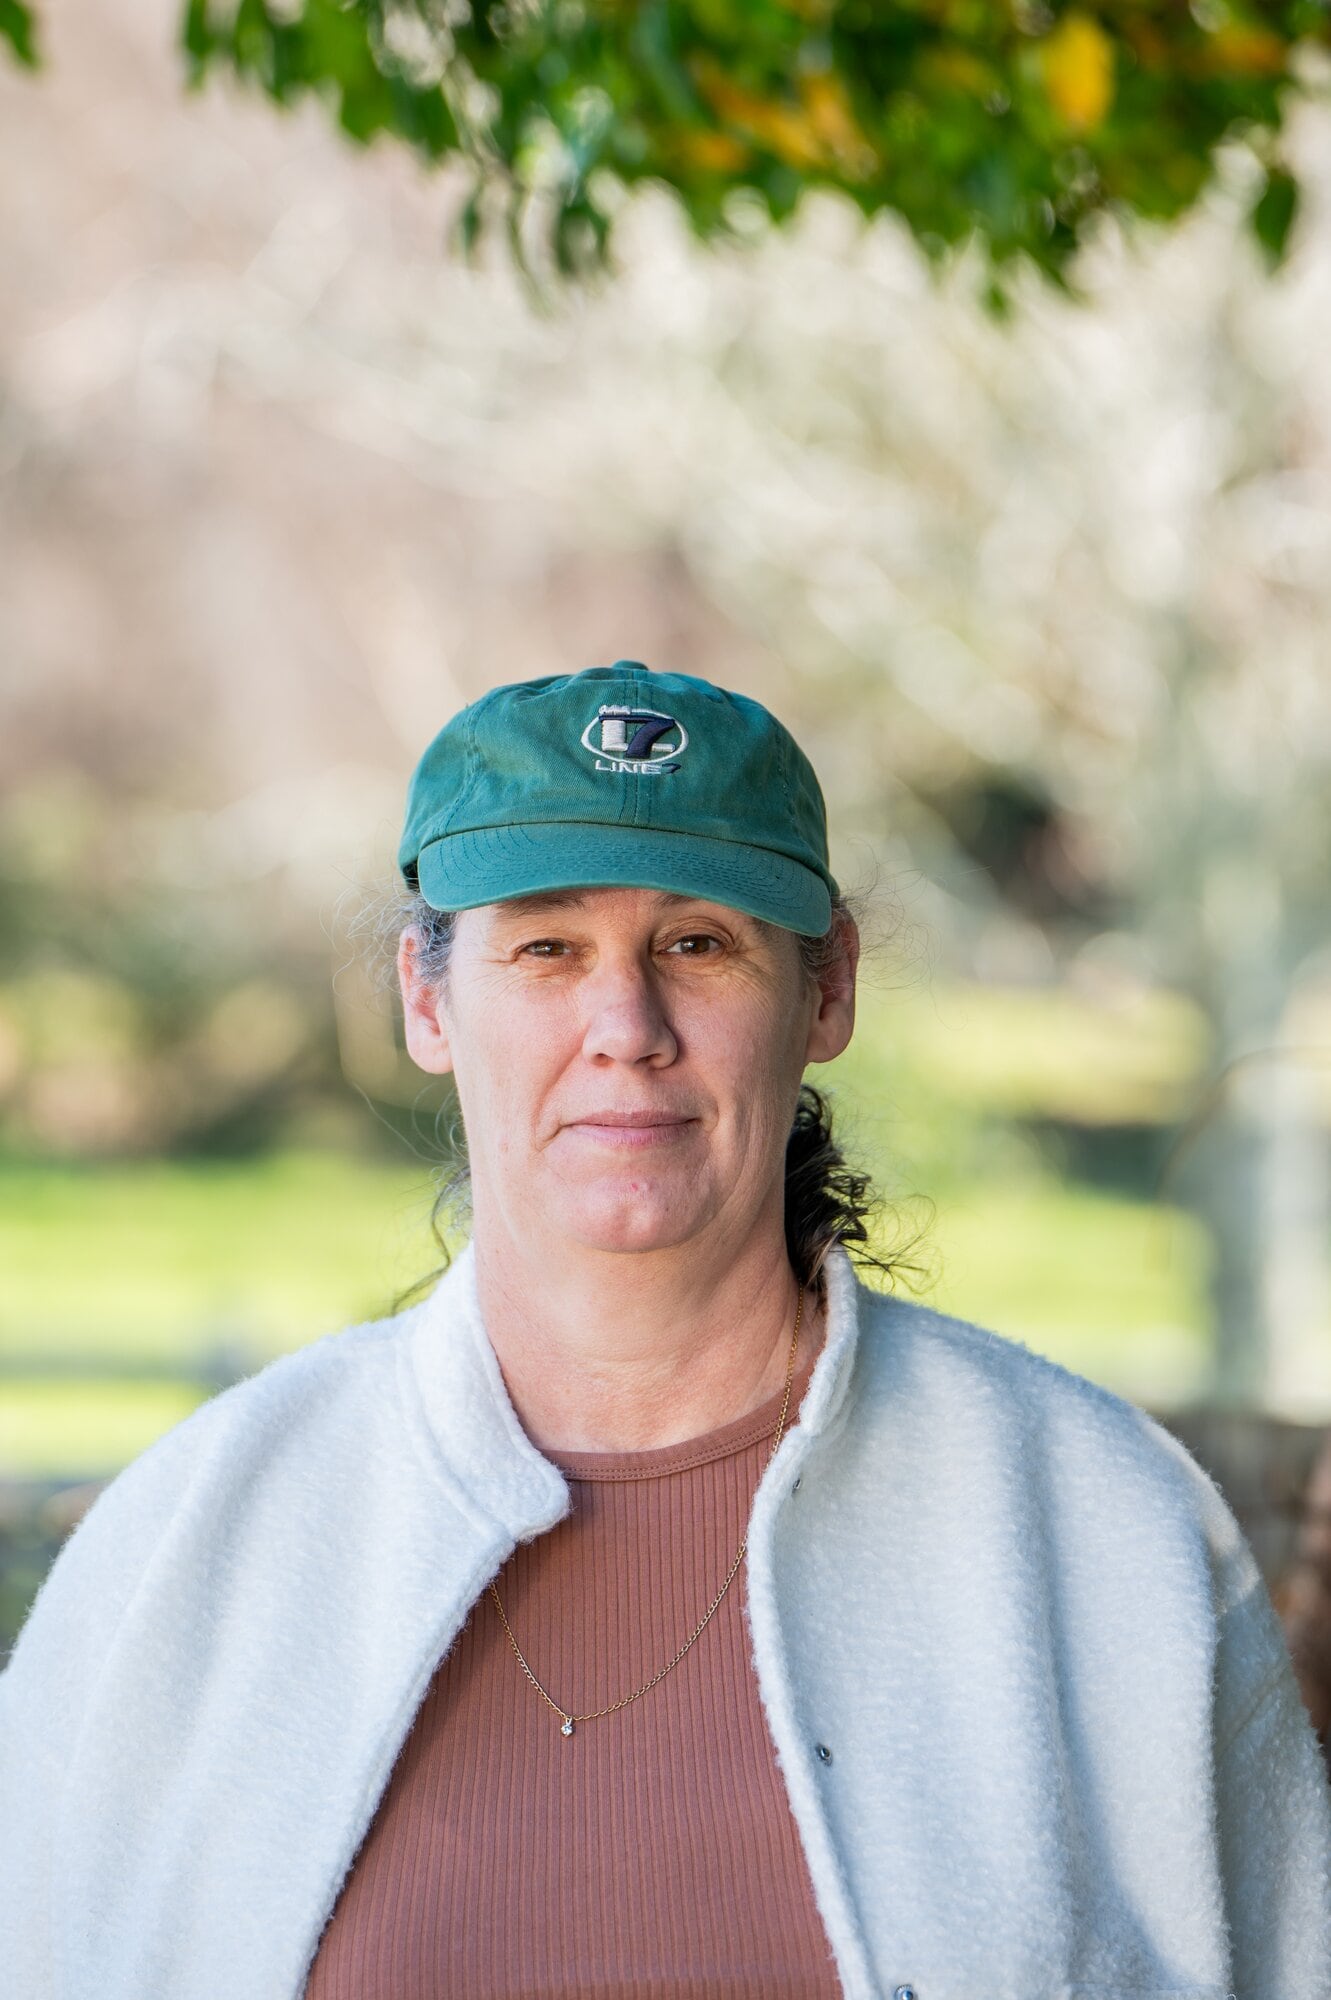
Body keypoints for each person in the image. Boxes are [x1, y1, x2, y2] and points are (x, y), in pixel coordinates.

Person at [2, 659, 1329, 2000]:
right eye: (546, 948)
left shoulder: (1105, 1530)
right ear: (426, 998)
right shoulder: (194, 1543)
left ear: (827, 990)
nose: (626, 1029)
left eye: (698, 944)